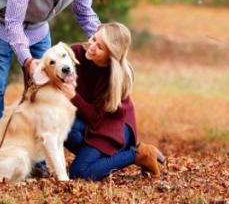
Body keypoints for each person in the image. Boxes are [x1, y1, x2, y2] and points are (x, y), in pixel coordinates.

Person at [0, 0, 101, 177]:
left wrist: (105, 41)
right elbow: (13, 23)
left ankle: (38, 162)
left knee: (45, 93)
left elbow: (85, 14)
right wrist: (28, 61)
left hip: (36, 29)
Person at [62, 22, 165, 180]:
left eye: (100, 47)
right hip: (88, 123)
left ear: (111, 55)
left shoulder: (113, 78)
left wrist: (73, 97)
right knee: (59, 123)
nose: (92, 46)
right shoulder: (75, 52)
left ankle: (137, 154)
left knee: (79, 173)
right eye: (94, 39)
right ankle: (99, 158)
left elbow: (97, 119)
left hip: (112, 128)